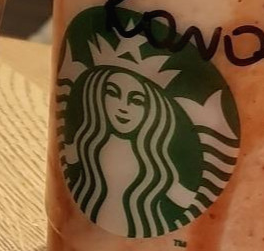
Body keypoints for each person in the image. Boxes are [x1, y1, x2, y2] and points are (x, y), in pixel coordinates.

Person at [64, 66, 198, 239]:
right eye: (112, 93)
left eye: (136, 101)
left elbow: (185, 199)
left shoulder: (156, 164)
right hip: (80, 232)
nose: (123, 107)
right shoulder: (86, 144)